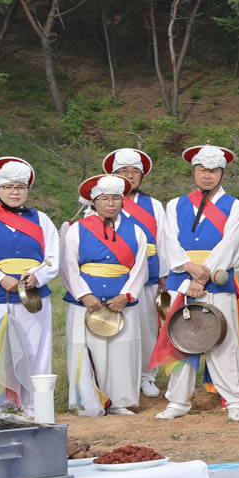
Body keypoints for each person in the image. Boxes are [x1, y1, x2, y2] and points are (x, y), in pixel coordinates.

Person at [154, 145, 239, 421]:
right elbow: (169, 241)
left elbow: (230, 245)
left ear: (222, 173)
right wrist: (189, 270)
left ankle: (234, 400)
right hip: (182, 277)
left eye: (213, 171)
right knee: (180, 339)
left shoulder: (236, 207)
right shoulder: (175, 205)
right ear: (193, 172)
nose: (207, 176)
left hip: (216, 279)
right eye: (201, 170)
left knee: (223, 339)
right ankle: (177, 401)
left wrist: (202, 275)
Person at [62, 174, 150, 417]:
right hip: (86, 302)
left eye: (115, 198)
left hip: (121, 301)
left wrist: (126, 295)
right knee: (87, 349)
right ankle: (88, 402)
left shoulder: (136, 231)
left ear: (122, 201)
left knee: (123, 350)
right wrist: (84, 295)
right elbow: (68, 265)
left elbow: (140, 268)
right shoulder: (77, 230)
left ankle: (121, 400)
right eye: (104, 199)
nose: (110, 203)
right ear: (94, 202)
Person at [0, 158, 58, 416]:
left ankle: (35, 404)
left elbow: (53, 256)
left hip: (32, 294)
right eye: (8, 187)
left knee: (35, 347)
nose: (15, 192)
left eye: (20, 187)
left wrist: (38, 275)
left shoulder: (41, 219)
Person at [104, 147, 164, 400]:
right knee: (116, 327)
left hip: (148, 275)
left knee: (147, 327)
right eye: (123, 171)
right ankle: (118, 377)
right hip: (114, 276)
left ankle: (147, 375)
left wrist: (164, 276)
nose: (129, 176)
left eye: (134, 171)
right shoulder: (103, 203)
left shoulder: (154, 205)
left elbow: (163, 241)